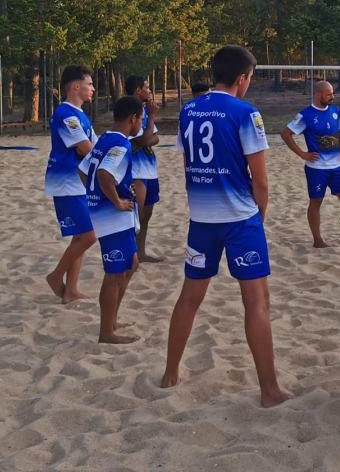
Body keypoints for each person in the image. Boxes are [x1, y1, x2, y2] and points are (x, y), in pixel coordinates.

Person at [161, 45, 290, 408]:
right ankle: (269, 390)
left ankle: (170, 373)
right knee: (257, 302)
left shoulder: (188, 110)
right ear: (242, 78)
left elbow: (187, 162)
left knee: (189, 297)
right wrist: (259, 217)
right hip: (239, 219)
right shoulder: (246, 113)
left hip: (201, 219)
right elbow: (260, 181)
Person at [78, 96, 145, 344]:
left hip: (106, 212)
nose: (141, 123)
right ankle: (106, 332)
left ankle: (112, 320)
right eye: (141, 119)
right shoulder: (121, 144)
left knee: (131, 264)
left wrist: (95, 194)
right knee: (115, 273)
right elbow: (105, 174)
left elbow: (83, 170)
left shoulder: (105, 138)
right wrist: (115, 200)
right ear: (132, 119)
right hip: (112, 216)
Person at [280, 81, 340, 248]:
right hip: (316, 169)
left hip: (336, 166)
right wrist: (302, 154)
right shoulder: (306, 115)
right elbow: (285, 134)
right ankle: (317, 240)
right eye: (329, 94)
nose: (332, 97)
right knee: (316, 202)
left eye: (332, 93)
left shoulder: (335, 111)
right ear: (318, 95)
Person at [44, 65, 98, 304]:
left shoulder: (79, 114)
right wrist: (94, 153)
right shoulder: (66, 114)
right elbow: (86, 148)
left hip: (79, 183)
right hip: (67, 183)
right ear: (76, 86)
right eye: (89, 84)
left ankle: (71, 290)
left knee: (80, 236)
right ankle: (56, 276)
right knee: (88, 236)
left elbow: (93, 146)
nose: (93, 88)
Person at [125, 76, 163, 263]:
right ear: (138, 90)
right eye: (147, 88)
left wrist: (145, 140)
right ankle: (129, 254)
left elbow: (155, 138)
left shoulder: (144, 111)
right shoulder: (129, 110)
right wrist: (152, 118)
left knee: (146, 215)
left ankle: (140, 252)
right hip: (136, 171)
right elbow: (146, 139)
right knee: (137, 215)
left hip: (149, 169)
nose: (150, 91)